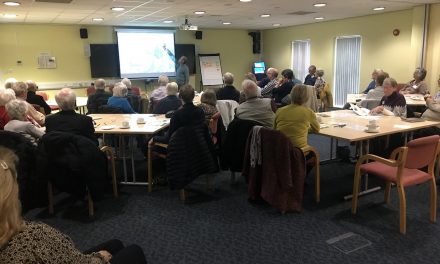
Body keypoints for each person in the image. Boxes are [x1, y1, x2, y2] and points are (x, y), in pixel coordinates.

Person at [0, 146, 148, 264]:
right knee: (134, 251)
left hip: (67, 172)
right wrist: (99, 258)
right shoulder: (33, 237)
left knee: (115, 244)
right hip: (82, 168)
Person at [274, 84, 320, 149]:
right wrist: (305, 128)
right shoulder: (308, 112)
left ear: (291, 95)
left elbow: (274, 129)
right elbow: (317, 129)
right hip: (298, 149)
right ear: (306, 97)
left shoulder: (279, 111)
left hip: (280, 147)